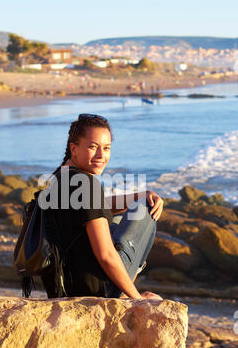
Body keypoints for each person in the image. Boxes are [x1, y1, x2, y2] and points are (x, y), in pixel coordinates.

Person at [41, 113, 164, 301]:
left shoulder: (61, 177)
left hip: (65, 286)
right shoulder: (86, 185)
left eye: (106, 148)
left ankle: (122, 289)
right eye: (93, 147)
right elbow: (105, 255)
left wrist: (138, 195)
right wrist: (138, 300)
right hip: (97, 289)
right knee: (145, 208)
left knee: (115, 218)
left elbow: (96, 207)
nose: (101, 155)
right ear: (74, 148)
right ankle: (123, 291)